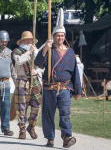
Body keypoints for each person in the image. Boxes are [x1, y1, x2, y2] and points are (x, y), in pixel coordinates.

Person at [35, 8, 82, 148]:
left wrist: (77, 91)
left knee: (65, 113)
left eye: (62, 36)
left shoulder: (70, 52)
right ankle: (50, 138)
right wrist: (44, 49)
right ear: (53, 36)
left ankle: (67, 137)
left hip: (65, 88)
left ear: (64, 37)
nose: (60, 38)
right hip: (49, 87)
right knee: (48, 114)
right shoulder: (48, 50)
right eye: (57, 36)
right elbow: (38, 64)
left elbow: (75, 72)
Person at [11, 31, 42, 140]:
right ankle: (22, 129)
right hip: (22, 81)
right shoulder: (17, 51)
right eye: (27, 40)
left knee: (36, 106)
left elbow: (42, 66)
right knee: (21, 107)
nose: (30, 41)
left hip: (34, 80)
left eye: (31, 40)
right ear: (22, 41)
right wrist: (29, 52)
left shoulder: (36, 51)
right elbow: (19, 61)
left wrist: (36, 71)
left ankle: (31, 126)